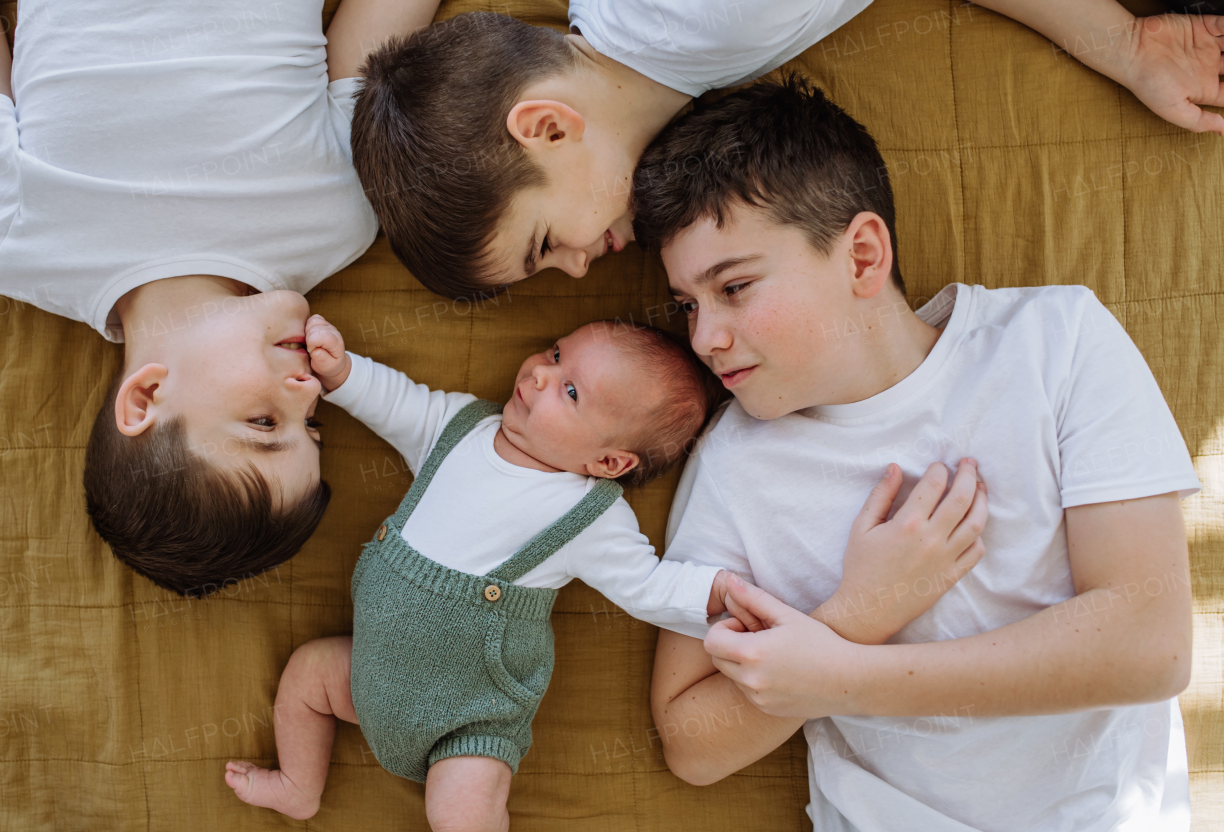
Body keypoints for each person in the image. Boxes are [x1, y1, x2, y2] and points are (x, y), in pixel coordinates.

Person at [633, 76, 1201, 831]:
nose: (705, 337)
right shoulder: (735, 465)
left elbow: (1148, 644)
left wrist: (845, 675)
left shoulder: (1055, 344)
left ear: (863, 255)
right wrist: (861, 612)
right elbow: (691, 743)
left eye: (733, 287)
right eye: (688, 305)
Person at [223, 313, 988, 830]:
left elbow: (650, 586)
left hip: (468, 718)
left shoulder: (587, 515)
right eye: (555, 355)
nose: (537, 376)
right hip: (368, 676)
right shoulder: (457, 426)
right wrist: (344, 369)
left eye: (572, 391)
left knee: (459, 813)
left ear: (609, 461)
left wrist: (717, 594)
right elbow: (399, 403)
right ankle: (299, 785)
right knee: (305, 675)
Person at [0, 0, 449, 593]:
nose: (309, 391)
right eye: (311, 425)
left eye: (264, 423)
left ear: (146, 397)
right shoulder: (340, 219)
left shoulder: (14, 242)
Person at [350, 0, 1224, 298]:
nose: (578, 267)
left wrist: (1126, 48)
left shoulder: (715, 6)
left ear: (547, 126)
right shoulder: (633, 29)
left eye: (544, 245)